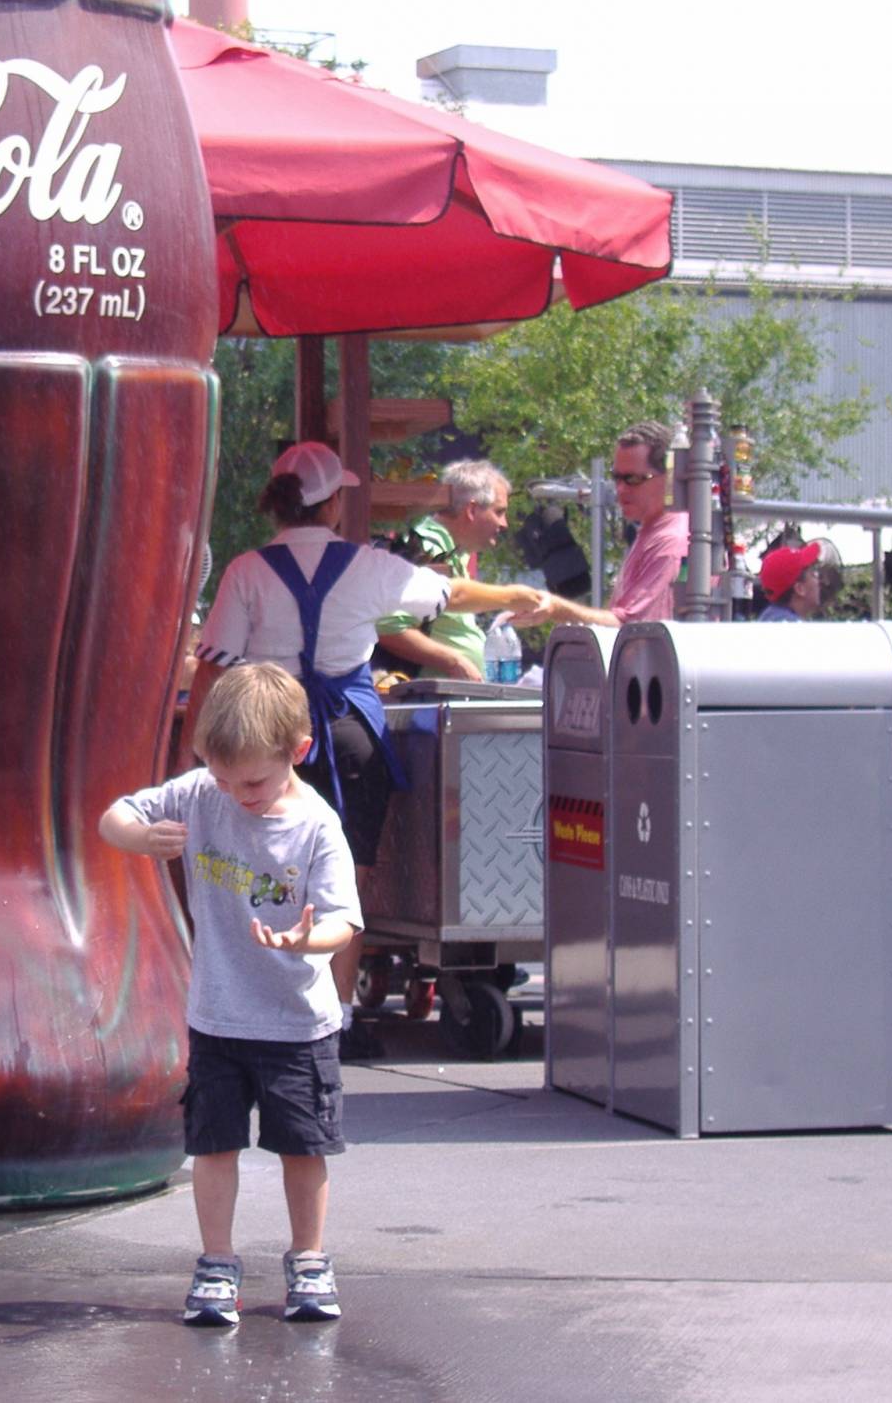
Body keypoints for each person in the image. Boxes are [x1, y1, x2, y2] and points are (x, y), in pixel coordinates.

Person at [185, 442, 548, 1059]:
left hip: (268, 736)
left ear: (278, 503)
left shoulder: (246, 571)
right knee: (340, 877)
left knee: (262, 869)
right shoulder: (365, 565)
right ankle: (340, 1017)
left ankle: (258, 1008)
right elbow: (447, 595)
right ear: (330, 505)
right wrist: (511, 593)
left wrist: (199, 750)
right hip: (349, 735)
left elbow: (213, 667)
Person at [100, 662, 360, 1328]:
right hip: (217, 1017)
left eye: (252, 781)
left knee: (304, 1147)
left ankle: (309, 1257)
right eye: (221, 777)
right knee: (212, 1146)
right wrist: (141, 837)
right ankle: (217, 1261)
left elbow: (343, 921)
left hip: (297, 1025)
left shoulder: (316, 827)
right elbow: (114, 816)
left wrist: (308, 942)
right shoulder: (202, 794)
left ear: (297, 753)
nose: (234, 793)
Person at [515, 420, 690, 629]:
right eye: (616, 478)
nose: (621, 489)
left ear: (669, 477)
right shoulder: (652, 531)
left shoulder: (671, 542)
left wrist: (555, 608)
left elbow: (629, 627)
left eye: (632, 479)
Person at [374, 459, 516, 680]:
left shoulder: (453, 551)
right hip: (424, 706)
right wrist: (454, 661)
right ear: (471, 510)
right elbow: (386, 624)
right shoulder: (427, 547)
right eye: (499, 512)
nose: (504, 523)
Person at [756, 541, 823, 622]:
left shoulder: (773, 616)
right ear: (800, 589)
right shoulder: (791, 628)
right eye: (813, 574)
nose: (818, 581)